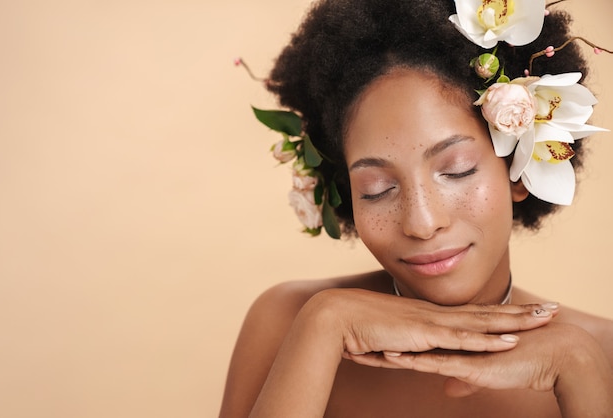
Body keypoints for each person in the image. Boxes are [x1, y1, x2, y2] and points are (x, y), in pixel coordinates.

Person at [221, 0, 613, 416]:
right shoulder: (288, 324)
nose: (422, 223)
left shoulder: (600, 354)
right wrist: (326, 323)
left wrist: (580, 370)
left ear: (520, 169)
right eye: (376, 189)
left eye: (457, 170)